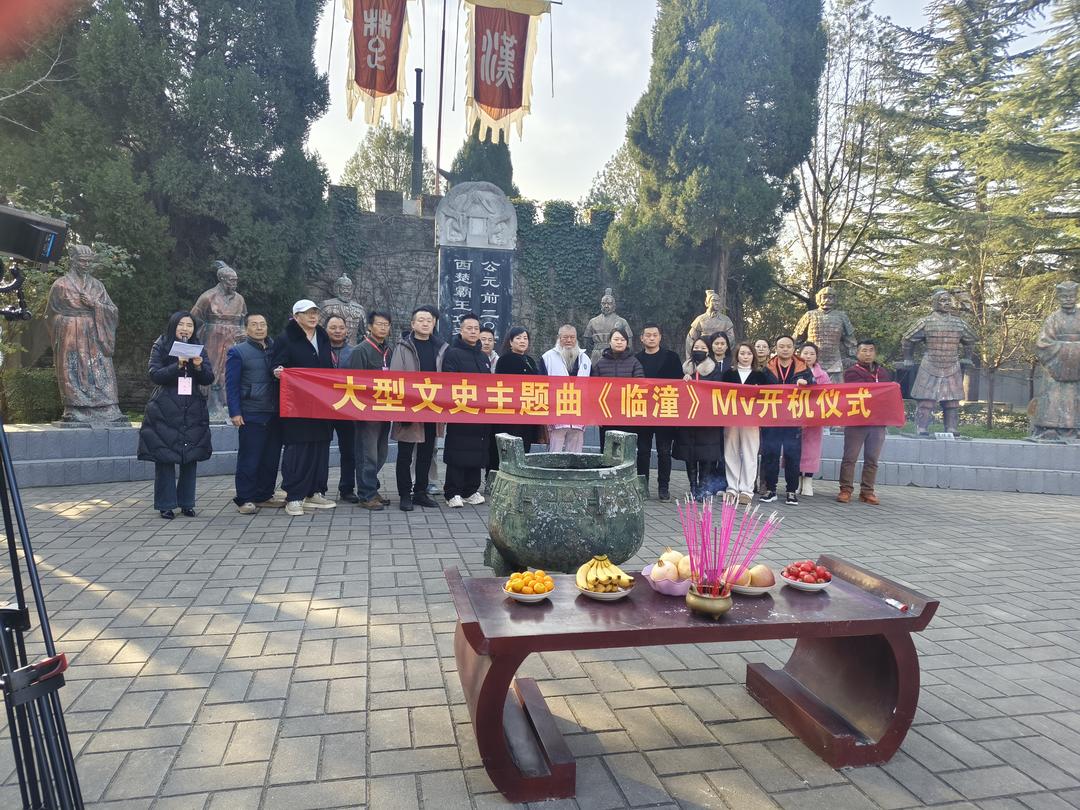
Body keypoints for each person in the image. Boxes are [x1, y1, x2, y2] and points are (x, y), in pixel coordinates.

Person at [137, 311, 214, 519]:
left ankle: (187, 503)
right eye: (181, 325)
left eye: (189, 325)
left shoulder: (198, 347)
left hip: (192, 408)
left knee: (190, 457)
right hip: (165, 408)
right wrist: (177, 365)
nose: (185, 329)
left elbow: (208, 378)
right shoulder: (161, 344)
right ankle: (166, 504)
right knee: (165, 456)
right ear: (173, 326)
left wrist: (199, 366)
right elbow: (155, 374)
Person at [45, 243, 126, 423]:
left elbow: (113, 311)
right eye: (82, 261)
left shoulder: (97, 285)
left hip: (95, 333)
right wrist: (64, 325)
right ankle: (74, 408)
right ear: (73, 260)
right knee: (72, 369)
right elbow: (50, 315)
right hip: (70, 334)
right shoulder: (60, 285)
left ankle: (108, 407)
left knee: (101, 368)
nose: (86, 264)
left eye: (89, 261)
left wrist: (95, 304)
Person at [272, 300, 337, 516]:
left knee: (320, 447)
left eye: (315, 312)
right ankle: (294, 496)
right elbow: (276, 364)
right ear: (296, 316)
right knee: (299, 449)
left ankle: (315, 491)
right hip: (297, 404)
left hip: (322, 402)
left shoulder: (323, 336)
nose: (312, 316)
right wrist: (278, 372)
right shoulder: (286, 338)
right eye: (307, 313)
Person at [390, 305, 447, 511]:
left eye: (429, 320)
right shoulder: (403, 346)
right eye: (421, 320)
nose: (425, 323)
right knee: (405, 454)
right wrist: (403, 408)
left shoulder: (441, 347)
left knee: (426, 453)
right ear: (413, 324)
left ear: (434, 324)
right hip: (409, 408)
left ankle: (420, 492)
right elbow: (396, 378)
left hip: (432, 408)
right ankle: (405, 494)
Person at [225, 314, 283, 514]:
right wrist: (235, 412)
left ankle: (264, 495)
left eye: (263, 324)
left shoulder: (276, 349)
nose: (259, 328)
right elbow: (231, 385)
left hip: (275, 412)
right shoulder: (238, 352)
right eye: (254, 325)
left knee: (271, 458)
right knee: (250, 458)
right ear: (246, 328)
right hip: (252, 412)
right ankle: (245, 498)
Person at [441, 313, 491, 507]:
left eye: (476, 328)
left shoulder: (483, 356)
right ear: (460, 330)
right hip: (461, 411)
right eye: (469, 328)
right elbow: (449, 382)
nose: (473, 332)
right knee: (458, 451)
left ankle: (470, 490)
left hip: (480, 414)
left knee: (477, 451)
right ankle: (452, 492)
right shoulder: (452, 354)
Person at [347, 310, 393, 510]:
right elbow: (354, 382)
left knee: (381, 453)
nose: (383, 328)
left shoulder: (389, 351)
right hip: (367, 412)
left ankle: (372, 488)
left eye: (386, 325)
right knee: (368, 455)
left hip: (386, 409)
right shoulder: (361, 350)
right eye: (379, 324)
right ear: (369, 326)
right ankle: (366, 495)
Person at [838, 340, 894, 504]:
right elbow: (860, 390)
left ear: (875, 353)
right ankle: (845, 490)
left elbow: (888, 394)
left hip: (877, 422)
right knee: (850, 458)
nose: (868, 354)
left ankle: (867, 491)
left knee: (872, 459)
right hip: (857, 421)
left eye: (871, 350)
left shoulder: (883, 373)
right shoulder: (851, 372)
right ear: (857, 353)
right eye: (864, 350)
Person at [760, 335, 815, 505]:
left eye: (788, 346)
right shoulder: (767, 368)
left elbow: (814, 389)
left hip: (793, 418)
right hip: (772, 418)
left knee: (792, 456)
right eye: (781, 346)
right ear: (776, 348)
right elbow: (757, 390)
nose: (785, 349)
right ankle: (771, 490)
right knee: (770, 454)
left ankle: (791, 491)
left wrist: (807, 382)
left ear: (793, 349)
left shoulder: (803, 368)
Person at [191, 261, 246, 421]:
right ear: (222, 279)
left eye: (236, 280)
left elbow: (242, 320)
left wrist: (242, 332)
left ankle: (228, 405)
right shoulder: (207, 297)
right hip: (213, 338)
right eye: (231, 280)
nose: (235, 283)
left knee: (230, 371)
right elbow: (193, 319)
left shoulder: (240, 299)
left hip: (233, 339)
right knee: (213, 370)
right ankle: (211, 406)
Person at [721, 342, 774, 505]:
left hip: (752, 420)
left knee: (750, 453)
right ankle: (732, 488)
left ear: (753, 356)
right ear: (737, 356)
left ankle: (746, 490)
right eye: (742, 353)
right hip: (731, 418)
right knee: (731, 452)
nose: (745, 357)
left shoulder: (761, 374)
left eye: (749, 353)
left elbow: (773, 392)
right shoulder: (728, 374)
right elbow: (718, 393)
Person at [635, 322, 683, 501]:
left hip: (665, 410)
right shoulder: (636, 359)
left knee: (664, 451)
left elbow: (679, 383)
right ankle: (642, 487)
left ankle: (664, 487)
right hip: (643, 411)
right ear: (642, 338)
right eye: (648, 335)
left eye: (655, 335)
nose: (651, 338)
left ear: (660, 337)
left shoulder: (672, 357)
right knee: (643, 451)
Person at [674, 338, 724, 500]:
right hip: (688, 418)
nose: (699, 350)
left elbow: (718, 390)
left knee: (706, 455)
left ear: (708, 351)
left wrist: (700, 383)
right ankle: (693, 487)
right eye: (696, 347)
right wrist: (683, 382)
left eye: (703, 348)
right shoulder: (684, 368)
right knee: (690, 455)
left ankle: (703, 487)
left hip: (707, 420)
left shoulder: (714, 369)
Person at [539, 325, 592, 452]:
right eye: (565, 337)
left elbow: (591, 387)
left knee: (575, 454)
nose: (569, 340)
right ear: (559, 338)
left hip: (579, 413)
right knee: (554, 452)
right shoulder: (547, 357)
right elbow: (540, 385)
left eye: (572, 337)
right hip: (556, 413)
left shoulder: (585, 359)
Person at [592, 327, 644, 450]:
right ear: (609, 341)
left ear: (627, 342)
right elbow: (594, 391)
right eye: (616, 339)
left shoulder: (634, 362)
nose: (619, 342)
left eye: (622, 339)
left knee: (626, 451)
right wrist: (596, 415)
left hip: (628, 415)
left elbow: (640, 386)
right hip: (606, 414)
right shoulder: (601, 363)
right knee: (607, 450)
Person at [326, 315, 359, 503]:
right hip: (323, 407)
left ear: (346, 330)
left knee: (349, 451)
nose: (337, 331)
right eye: (333, 327)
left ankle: (347, 488)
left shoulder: (354, 352)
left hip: (347, 408)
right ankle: (318, 488)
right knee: (321, 449)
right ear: (326, 329)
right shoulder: (318, 351)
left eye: (341, 327)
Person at [493, 326, 540, 456]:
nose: (522, 341)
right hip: (511, 412)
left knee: (525, 446)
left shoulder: (529, 360)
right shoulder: (505, 360)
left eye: (525, 338)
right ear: (510, 341)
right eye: (518, 338)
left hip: (528, 410)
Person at [796, 342, 832, 497]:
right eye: (805, 353)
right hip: (796, 415)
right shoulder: (794, 371)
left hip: (814, 417)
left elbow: (828, 394)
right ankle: (797, 480)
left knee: (811, 450)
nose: (808, 356)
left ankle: (808, 481)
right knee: (795, 449)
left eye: (812, 353)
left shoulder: (823, 375)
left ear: (816, 356)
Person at [686, 289, 736, 358]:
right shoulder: (700, 319)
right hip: (703, 356)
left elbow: (731, 339)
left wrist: (719, 348)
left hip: (720, 356)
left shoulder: (726, 320)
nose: (717, 303)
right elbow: (690, 339)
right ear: (707, 303)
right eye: (714, 300)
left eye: (718, 301)